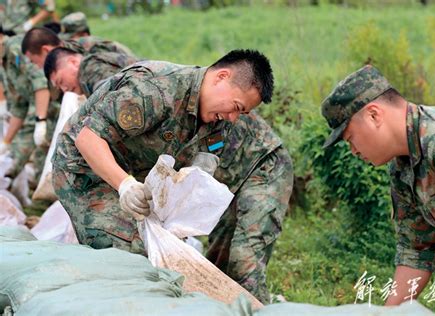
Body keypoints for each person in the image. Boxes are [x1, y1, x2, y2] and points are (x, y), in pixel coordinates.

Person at [52, 49, 293, 304]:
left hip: (129, 170)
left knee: (157, 261)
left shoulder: (215, 119)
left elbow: (192, 169)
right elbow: (87, 139)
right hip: (82, 169)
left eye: (240, 114)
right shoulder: (157, 89)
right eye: (235, 107)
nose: (233, 118)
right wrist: (125, 185)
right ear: (221, 77)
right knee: (127, 256)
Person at [321, 65, 435, 305]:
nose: (353, 151)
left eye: (351, 138)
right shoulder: (404, 169)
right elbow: (417, 251)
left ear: (374, 115)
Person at [0, 34, 58, 183]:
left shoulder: (15, 48)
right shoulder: (5, 63)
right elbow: (19, 105)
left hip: (53, 109)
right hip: (38, 113)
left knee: (49, 155)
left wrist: (41, 121)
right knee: (26, 154)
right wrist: (6, 142)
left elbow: (41, 83)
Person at [21, 19, 135, 70]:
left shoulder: (89, 48)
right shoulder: (57, 66)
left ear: (46, 50)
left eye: (35, 61)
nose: (37, 66)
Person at [43, 47, 138, 97]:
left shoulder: (88, 68)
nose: (64, 89)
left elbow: (116, 98)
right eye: (59, 88)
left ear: (73, 62)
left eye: (61, 81)